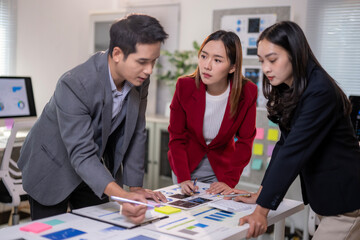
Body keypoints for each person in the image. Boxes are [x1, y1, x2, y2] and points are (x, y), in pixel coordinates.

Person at [17, 13, 168, 224]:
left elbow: (135, 132)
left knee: (98, 228)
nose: (149, 70)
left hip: (93, 169)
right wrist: (122, 196)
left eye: (153, 61)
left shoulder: (140, 79)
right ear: (117, 53)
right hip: (51, 167)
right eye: (142, 61)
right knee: (51, 234)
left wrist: (135, 189)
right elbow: (81, 152)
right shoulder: (74, 84)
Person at [224, 21, 360, 239]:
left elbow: (293, 153)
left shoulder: (319, 91)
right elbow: (284, 144)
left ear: (295, 54)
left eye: (272, 59)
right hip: (328, 202)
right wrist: (262, 194)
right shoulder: (297, 88)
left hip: (346, 204)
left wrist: (261, 211)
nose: (266, 68)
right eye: (262, 61)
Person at [167, 30, 257, 195]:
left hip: (222, 169)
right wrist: (183, 177)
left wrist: (229, 181)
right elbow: (176, 136)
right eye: (203, 56)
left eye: (217, 60)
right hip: (185, 165)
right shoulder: (184, 86)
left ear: (232, 67)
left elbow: (245, 141)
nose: (207, 65)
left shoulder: (247, 92)